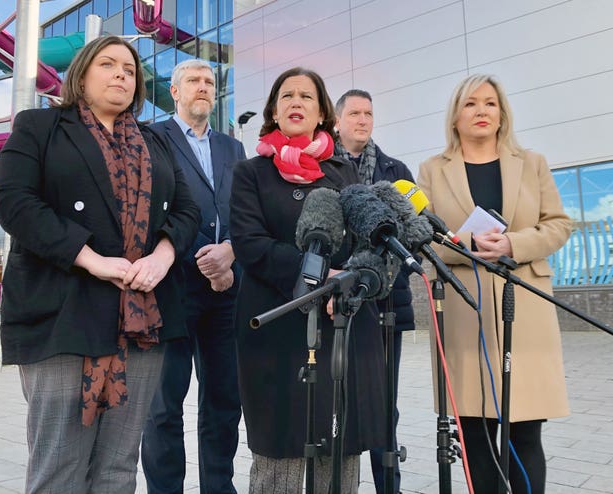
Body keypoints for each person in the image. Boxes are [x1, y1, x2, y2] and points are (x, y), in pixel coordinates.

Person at [0, 35, 201, 494]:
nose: (121, 74)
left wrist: (163, 257)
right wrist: (91, 259)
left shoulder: (156, 142)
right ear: (81, 74)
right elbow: (12, 200)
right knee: (59, 467)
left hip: (142, 321)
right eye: (108, 64)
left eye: (129, 69)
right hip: (62, 315)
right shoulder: (40, 126)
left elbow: (187, 212)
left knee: (119, 468)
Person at [229, 67, 386, 494]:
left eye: (307, 96)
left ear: (321, 114)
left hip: (342, 324)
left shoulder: (345, 173)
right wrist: (318, 277)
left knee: (339, 449)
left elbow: (365, 239)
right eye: (287, 96)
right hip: (275, 327)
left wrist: (350, 279)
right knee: (280, 455)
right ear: (274, 112)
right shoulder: (251, 173)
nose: (296, 102)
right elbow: (249, 244)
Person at [417, 74, 571, 494]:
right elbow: (422, 233)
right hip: (465, 314)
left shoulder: (532, 162)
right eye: (470, 104)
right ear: (455, 116)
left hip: (526, 311)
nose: (481, 111)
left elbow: (558, 225)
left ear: (502, 113)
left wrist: (513, 243)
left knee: (525, 434)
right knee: (476, 435)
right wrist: (467, 243)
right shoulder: (432, 169)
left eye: (489, 103)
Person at [141, 59, 245, 494]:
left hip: (226, 290)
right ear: (175, 91)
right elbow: (148, 204)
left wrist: (229, 255)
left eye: (209, 82)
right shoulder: (151, 137)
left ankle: (218, 488)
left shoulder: (232, 147)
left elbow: (243, 209)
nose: (203, 87)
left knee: (224, 400)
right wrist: (203, 254)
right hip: (173, 286)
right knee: (164, 405)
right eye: (194, 82)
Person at [334, 89, 415, 494]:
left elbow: (414, 232)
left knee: (385, 404)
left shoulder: (395, 171)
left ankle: (389, 488)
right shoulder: (322, 166)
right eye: (354, 113)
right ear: (337, 120)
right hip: (338, 303)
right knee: (339, 403)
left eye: (368, 113)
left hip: (386, 304)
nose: (363, 120)